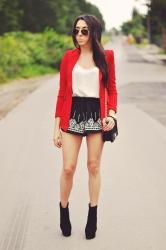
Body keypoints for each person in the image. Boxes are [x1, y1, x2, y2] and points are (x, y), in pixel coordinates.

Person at [53, 14, 118, 239]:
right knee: (69, 167)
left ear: (93, 32)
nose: (79, 35)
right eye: (76, 31)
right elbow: (62, 92)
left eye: (84, 31)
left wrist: (112, 114)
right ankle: (63, 209)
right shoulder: (68, 57)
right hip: (72, 113)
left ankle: (93, 214)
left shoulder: (106, 56)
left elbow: (112, 88)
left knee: (93, 166)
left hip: (96, 114)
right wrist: (56, 126)